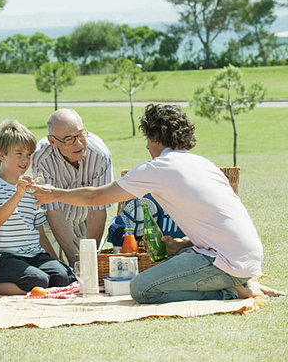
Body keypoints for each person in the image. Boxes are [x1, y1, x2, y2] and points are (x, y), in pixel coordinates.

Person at [30, 104, 285, 303]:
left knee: (141, 288)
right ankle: (240, 280)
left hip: (226, 262)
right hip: (246, 255)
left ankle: (230, 291)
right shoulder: (202, 163)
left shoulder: (157, 169)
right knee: (176, 252)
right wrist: (185, 243)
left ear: (157, 138)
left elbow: (96, 197)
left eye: (148, 138)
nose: (146, 145)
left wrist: (54, 194)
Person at [0, 120, 75, 295]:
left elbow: (40, 233)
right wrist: (18, 194)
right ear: (1, 155)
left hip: (33, 255)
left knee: (64, 277)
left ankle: (47, 279)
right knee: (38, 281)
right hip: (0, 258)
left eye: (28, 154)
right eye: (19, 153)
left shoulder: (32, 188)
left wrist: (57, 263)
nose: (25, 160)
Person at [31, 108, 114, 265]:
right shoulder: (41, 158)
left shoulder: (100, 155)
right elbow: (52, 210)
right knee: (60, 276)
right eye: (69, 139)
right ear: (52, 141)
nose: (79, 143)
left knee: (91, 271)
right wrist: (72, 258)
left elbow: (97, 209)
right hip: (52, 228)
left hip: (87, 224)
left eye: (81, 134)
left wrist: (89, 259)